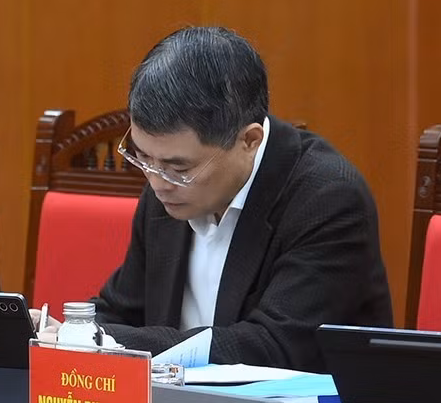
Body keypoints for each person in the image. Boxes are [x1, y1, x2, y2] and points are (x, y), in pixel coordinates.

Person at [79, 25, 392, 369]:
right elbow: (123, 310)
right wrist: (65, 334)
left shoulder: (327, 200)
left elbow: (272, 347)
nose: (156, 182)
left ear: (250, 141)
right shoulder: (167, 184)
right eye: (143, 157)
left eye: (178, 166)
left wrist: (103, 341)